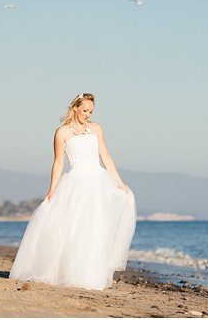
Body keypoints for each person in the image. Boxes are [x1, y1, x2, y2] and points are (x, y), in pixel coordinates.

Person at [9, 93, 136, 290]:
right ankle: (71, 273)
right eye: (85, 110)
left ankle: (91, 276)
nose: (88, 114)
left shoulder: (96, 129)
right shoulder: (62, 133)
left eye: (91, 111)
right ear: (75, 108)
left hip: (98, 183)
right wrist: (51, 191)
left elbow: (106, 157)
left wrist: (120, 182)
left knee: (96, 230)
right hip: (75, 183)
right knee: (74, 230)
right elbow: (58, 162)